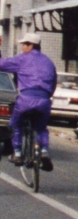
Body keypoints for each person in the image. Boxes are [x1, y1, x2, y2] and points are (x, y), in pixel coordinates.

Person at [0, 34, 57, 172]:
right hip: (44, 99)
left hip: (26, 99)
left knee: (15, 124)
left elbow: (2, 64)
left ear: (31, 45)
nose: (22, 47)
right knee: (42, 127)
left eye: (24, 44)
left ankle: (18, 153)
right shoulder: (49, 62)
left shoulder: (22, 59)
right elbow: (54, 83)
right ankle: (44, 151)